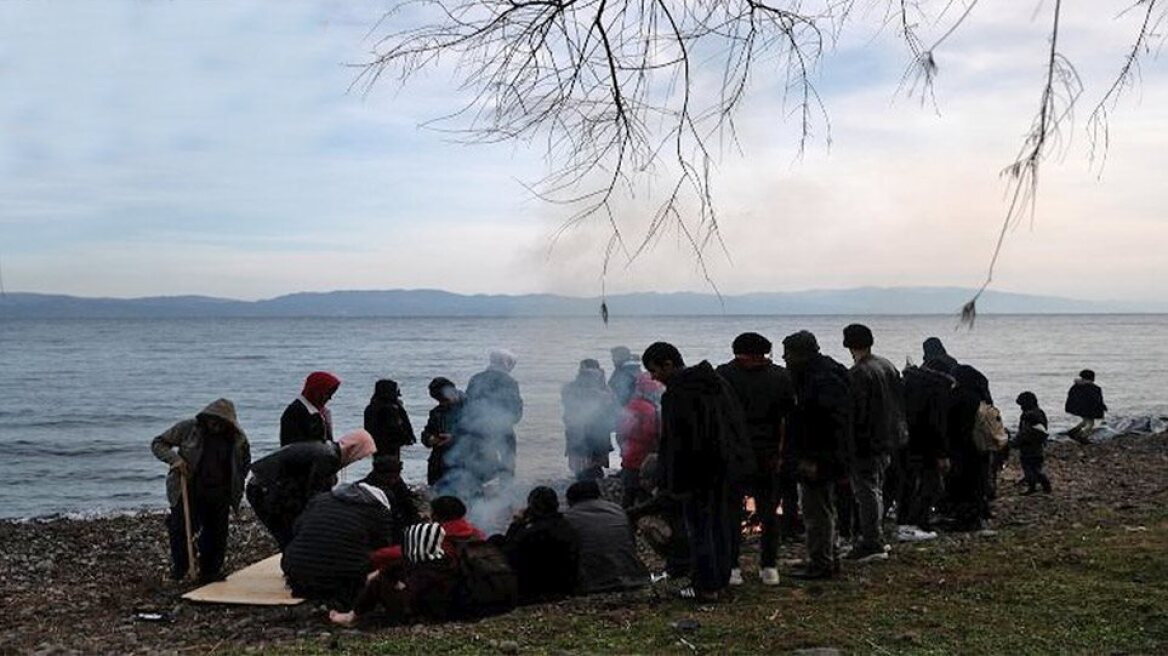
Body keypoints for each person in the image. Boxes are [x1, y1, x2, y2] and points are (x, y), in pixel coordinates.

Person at [643, 341, 753, 601]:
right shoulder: (717, 383)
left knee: (701, 530)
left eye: (654, 370)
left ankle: (705, 586)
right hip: (725, 469)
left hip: (698, 474)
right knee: (723, 526)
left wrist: (670, 482)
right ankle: (720, 579)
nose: (653, 377)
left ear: (669, 364)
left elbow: (677, 444)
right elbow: (736, 424)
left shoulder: (678, 394)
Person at [715, 331, 795, 586]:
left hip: (734, 454)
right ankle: (769, 567)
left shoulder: (724, 375)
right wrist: (782, 454)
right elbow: (787, 419)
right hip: (768, 454)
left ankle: (732, 568)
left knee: (731, 512)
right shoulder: (780, 376)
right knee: (768, 512)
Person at [151, 399, 251, 583]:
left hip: (220, 491)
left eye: (220, 423)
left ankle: (210, 571)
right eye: (213, 421)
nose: (215, 425)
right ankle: (182, 569)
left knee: (217, 533)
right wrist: (175, 460)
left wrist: (238, 483)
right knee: (180, 529)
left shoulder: (237, 438)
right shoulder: (189, 428)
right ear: (207, 417)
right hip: (189, 488)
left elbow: (244, 463)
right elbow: (159, 443)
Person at [780, 331, 851, 580]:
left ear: (800, 354)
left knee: (816, 510)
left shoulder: (819, 380)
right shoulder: (829, 372)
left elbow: (823, 423)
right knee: (823, 508)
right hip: (828, 454)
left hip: (819, 456)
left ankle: (821, 562)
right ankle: (827, 557)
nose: (784, 358)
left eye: (787, 353)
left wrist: (813, 458)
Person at [247, 429, 378, 550]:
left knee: (289, 530)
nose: (357, 459)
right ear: (354, 449)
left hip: (264, 484)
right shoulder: (328, 457)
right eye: (360, 456)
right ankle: (294, 565)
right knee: (287, 531)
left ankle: (294, 563)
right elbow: (314, 494)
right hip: (263, 488)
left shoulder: (326, 449)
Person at [842, 324, 905, 563]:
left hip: (868, 440)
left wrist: (849, 443)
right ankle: (874, 536)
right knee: (875, 489)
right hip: (889, 437)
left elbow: (856, 413)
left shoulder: (858, 373)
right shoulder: (886, 365)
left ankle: (872, 540)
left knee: (866, 491)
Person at [280, 481, 394, 610]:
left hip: (296, 569)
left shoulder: (320, 500)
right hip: (342, 576)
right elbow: (383, 547)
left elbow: (297, 528)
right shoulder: (378, 511)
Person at [331, 522, 460, 627]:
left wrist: (397, 585)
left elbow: (413, 593)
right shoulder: (442, 560)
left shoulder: (426, 569)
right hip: (444, 610)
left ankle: (352, 617)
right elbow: (394, 568)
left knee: (378, 584)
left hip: (421, 613)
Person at [494, 486, 580, 604]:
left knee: (496, 540)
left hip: (535, 592)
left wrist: (516, 524)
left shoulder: (532, 533)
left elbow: (508, 554)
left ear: (532, 507)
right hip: (566, 586)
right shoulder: (565, 526)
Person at [896, 361, 952, 540]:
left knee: (908, 484)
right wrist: (942, 453)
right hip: (927, 446)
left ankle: (904, 522)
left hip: (907, 442)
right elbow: (938, 424)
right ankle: (915, 523)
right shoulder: (938, 389)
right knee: (932, 486)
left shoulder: (909, 384)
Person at [563, 480, 649, 594]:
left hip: (593, 583)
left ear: (570, 501)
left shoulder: (568, 518)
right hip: (633, 577)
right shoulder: (617, 510)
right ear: (599, 495)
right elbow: (631, 544)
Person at [371, 495, 486, 570]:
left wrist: (372, 556)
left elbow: (396, 553)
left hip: (443, 594)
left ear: (435, 516)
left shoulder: (433, 538)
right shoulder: (477, 534)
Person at [625, 454, 690, 579]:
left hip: (682, 544)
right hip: (689, 538)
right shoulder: (674, 489)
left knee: (646, 523)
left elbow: (641, 510)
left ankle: (677, 563)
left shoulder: (665, 496)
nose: (641, 483)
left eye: (644, 478)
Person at [464, 350, 524, 483]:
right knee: (507, 460)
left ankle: (476, 490)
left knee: (478, 459)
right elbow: (516, 408)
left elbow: (468, 404)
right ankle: (505, 491)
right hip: (503, 427)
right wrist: (510, 421)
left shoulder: (476, 378)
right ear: (505, 362)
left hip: (478, 428)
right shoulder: (509, 381)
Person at [562, 359, 617, 480]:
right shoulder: (603, 390)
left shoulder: (604, 390)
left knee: (591, 467)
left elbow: (610, 409)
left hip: (594, 433)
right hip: (586, 433)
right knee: (585, 467)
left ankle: (592, 487)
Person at [616, 372, 663, 508]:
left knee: (628, 494)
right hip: (644, 460)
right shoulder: (650, 411)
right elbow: (652, 435)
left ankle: (626, 520)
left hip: (628, 458)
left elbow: (620, 433)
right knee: (645, 496)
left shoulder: (629, 407)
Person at [363, 379, 416, 474]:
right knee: (391, 471)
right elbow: (395, 428)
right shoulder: (391, 409)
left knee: (379, 471)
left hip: (376, 446)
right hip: (390, 447)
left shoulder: (371, 408)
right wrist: (407, 438)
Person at [420, 377, 465, 487]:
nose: (443, 404)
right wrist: (430, 439)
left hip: (465, 461)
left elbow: (481, 433)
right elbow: (426, 433)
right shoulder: (437, 412)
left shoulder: (471, 408)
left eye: (445, 400)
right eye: (440, 401)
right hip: (440, 462)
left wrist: (454, 438)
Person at [281, 371, 341, 446]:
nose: (329, 398)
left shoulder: (321, 412)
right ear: (317, 392)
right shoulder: (296, 413)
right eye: (327, 394)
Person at [1013, 392, 1052, 494]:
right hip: (1038, 445)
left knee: (1029, 468)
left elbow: (1024, 432)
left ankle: (1036, 486)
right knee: (1036, 467)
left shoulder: (1027, 416)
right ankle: (1041, 485)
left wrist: (1015, 442)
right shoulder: (1040, 412)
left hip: (1027, 446)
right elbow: (1044, 429)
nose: (1020, 407)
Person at [1065, 370, 1107, 444]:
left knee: (1085, 421)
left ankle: (1073, 431)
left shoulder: (1076, 386)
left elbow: (1070, 397)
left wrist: (1071, 407)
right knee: (1090, 423)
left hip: (1078, 408)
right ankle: (1083, 436)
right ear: (1092, 378)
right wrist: (1102, 407)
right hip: (1090, 409)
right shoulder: (1094, 388)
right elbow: (1097, 400)